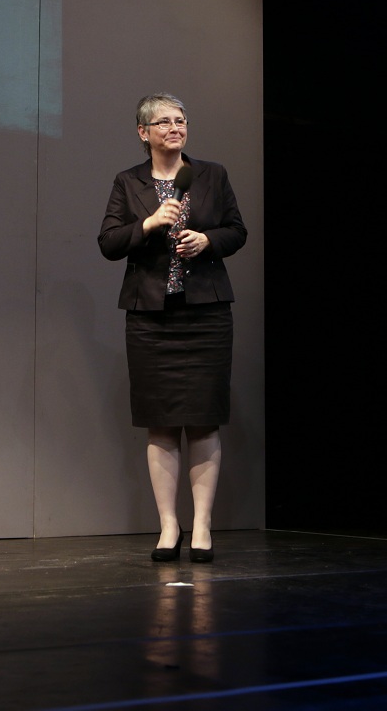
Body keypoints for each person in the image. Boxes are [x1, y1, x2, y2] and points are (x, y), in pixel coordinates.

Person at [98, 92, 248, 563]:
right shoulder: (129, 181)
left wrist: (207, 239)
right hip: (151, 318)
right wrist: (147, 224)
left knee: (203, 420)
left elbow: (237, 230)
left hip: (206, 314)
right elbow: (108, 242)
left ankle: (202, 525)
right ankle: (169, 526)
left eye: (180, 120)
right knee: (160, 423)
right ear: (143, 133)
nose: (175, 128)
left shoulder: (211, 175)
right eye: (163, 122)